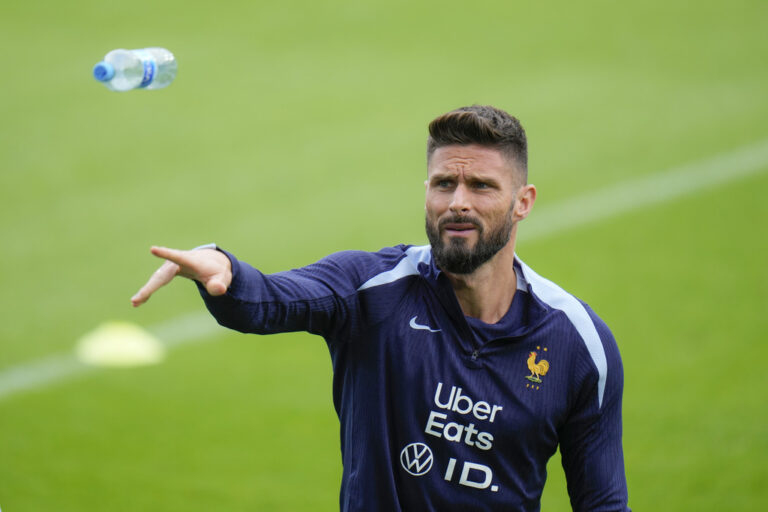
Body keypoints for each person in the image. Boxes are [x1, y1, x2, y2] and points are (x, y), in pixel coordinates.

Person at [131, 105, 630, 511]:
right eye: (444, 184)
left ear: (523, 202)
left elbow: (602, 502)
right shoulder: (373, 289)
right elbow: (268, 301)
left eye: (481, 186)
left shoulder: (578, 343)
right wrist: (222, 267)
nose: (458, 202)